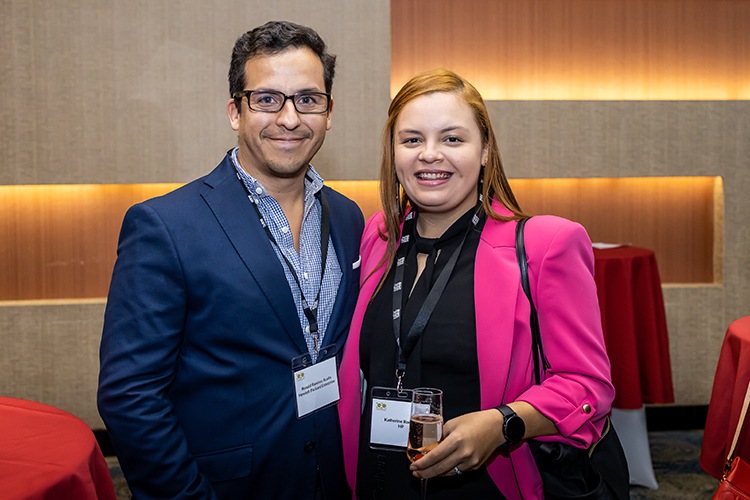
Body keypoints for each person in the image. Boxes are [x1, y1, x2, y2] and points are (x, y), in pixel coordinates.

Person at [98, 21, 364, 499]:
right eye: (267, 99)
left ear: (329, 113)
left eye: (308, 99)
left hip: (330, 476)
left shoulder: (348, 217)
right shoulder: (165, 226)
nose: (289, 118)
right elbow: (130, 395)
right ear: (235, 112)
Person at [337, 68, 616, 499]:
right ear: (393, 153)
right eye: (412, 140)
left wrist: (503, 423)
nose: (430, 154)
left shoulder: (546, 245)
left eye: (452, 139)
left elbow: (588, 387)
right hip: (380, 478)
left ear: (485, 150)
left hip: (486, 484)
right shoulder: (378, 237)